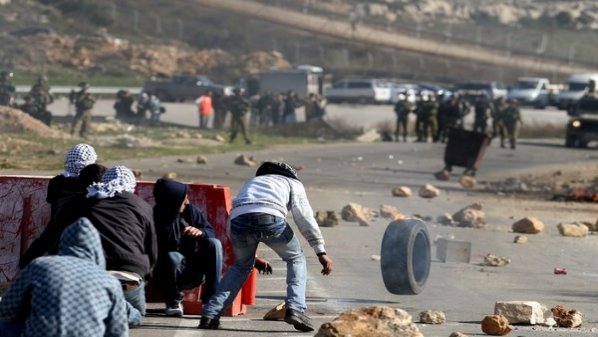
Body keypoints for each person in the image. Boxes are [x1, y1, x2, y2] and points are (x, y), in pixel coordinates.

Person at [199, 162, 334, 332]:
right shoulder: (292, 182)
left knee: (241, 266)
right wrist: (320, 251)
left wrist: (251, 258)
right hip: (270, 219)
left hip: (236, 223)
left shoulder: (252, 182)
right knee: (295, 258)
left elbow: (236, 214)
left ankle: (210, 313)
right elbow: (304, 216)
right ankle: (296, 308)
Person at [0, 218, 129, 337]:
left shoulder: (40, 265)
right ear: (97, 249)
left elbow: (6, 309)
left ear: (63, 242)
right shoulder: (109, 280)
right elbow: (118, 331)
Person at [85, 165, 158, 326]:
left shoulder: (89, 202)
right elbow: (151, 249)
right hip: (130, 279)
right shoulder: (142, 206)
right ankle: (117, 307)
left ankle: (106, 305)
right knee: (138, 315)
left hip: (95, 279)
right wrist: (146, 276)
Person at [152, 178, 223, 316]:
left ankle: (210, 301)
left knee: (214, 244)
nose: (187, 201)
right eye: (183, 198)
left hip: (190, 271)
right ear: (172, 200)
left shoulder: (191, 211)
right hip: (164, 274)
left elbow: (210, 231)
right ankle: (172, 301)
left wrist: (200, 233)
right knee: (173, 256)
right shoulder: (155, 217)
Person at [19, 163, 107, 269]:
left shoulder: (67, 201)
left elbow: (48, 236)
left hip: (63, 260)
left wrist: (24, 264)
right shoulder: (107, 208)